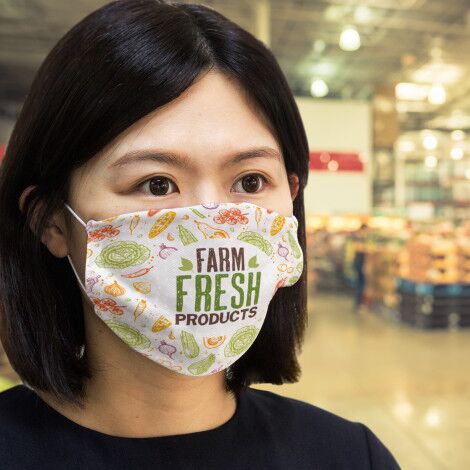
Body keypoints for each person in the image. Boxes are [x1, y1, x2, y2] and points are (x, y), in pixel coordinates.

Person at [0, 1, 400, 468]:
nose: (213, 223)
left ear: (290, 201)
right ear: (51, 221)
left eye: (250, 181)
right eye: (156, 184)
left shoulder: (351, 457)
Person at [352, 223, 369, 310]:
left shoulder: (360, 238)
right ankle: (358, 304)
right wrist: (367, 249)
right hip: (360, 264)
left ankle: (359, 303)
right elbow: (359, 249)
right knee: (360, 284)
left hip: (359, 263)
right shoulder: (359, 238)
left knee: (361, 284)